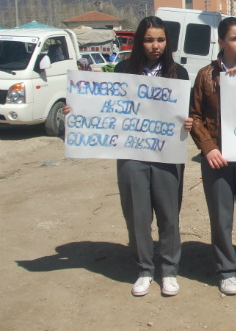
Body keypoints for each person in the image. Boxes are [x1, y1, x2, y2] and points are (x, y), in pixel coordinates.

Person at [65, 16, 192, 297]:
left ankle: (169, 270)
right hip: (131, 154)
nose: (155, 45)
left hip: (166, 154)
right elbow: (105, 106)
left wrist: (188, 122)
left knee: (169, 215)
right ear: (139, 42)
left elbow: (187, 111)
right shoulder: (123, 69)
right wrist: (77, 112)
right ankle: (145, 269)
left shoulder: (178, 73)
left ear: (167, 42)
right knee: (137, 214)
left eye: (160, 39)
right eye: (149, 40)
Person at [189, 17, 236, 296]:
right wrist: (208, 146)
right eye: (234, 38)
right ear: (221, 42)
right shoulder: (204, 75)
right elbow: (195, 116)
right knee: (221, 217)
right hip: (217, 158)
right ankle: (225, 270)